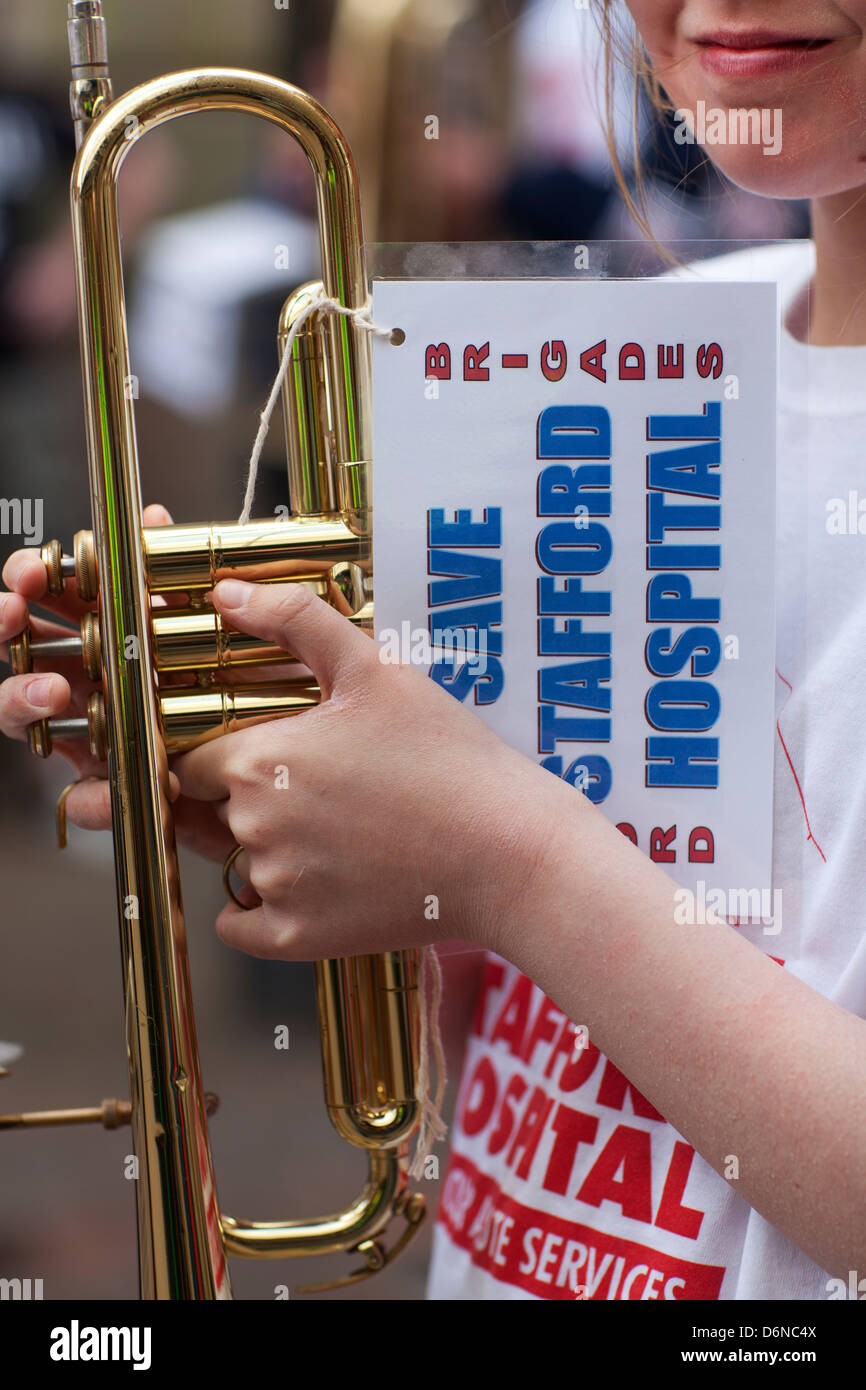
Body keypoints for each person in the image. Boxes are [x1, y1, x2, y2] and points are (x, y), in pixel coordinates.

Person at [3, 0, 866, 1301]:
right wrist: (309, 783)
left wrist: (500, 862)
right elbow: (536, 1010)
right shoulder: (662, 336)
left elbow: (532, 873)